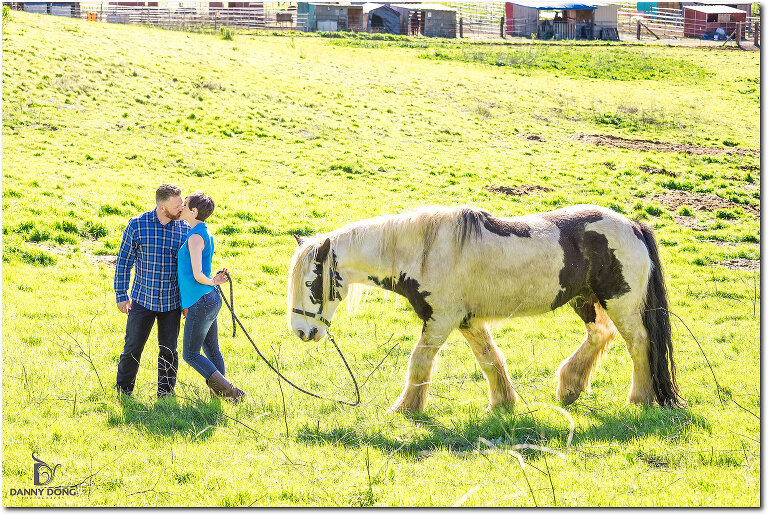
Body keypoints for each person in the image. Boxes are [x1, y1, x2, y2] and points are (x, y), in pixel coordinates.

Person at [115, 184, 190, 397]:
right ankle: (123, 391)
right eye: (176, 206)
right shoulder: (137, 225)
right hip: (142, 300)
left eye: (181, 203)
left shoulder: (184, 228)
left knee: (169, 351)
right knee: (132, 348)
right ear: (161, 206)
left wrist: (187, 303)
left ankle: (165, 395)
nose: (181, 208)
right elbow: (123, 262)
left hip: (172, 303)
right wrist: (121, 295)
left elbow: (187, 270)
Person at [177, 192, 246, 402]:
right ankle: (220, 396)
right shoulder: (202, 232)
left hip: (202, 300)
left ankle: (231, 392)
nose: (181, 207)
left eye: (185, 205)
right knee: (212, 351)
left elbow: (198, 274)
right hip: (207, 299)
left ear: (194, 211)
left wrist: (213, 281)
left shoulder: (196, 237)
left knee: (190, 354)